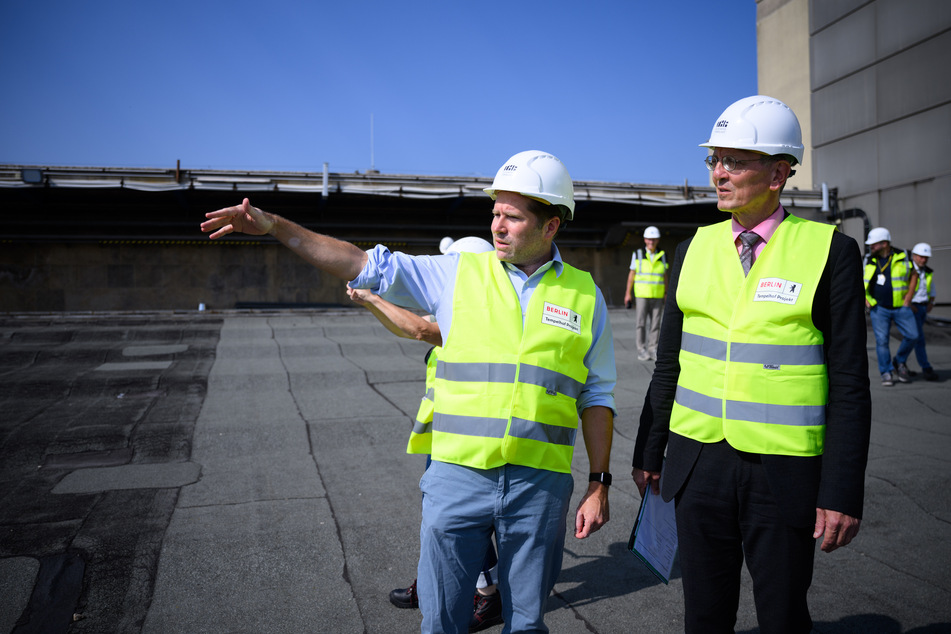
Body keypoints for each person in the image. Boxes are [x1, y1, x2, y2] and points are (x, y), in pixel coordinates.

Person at [201, 150, 617, 634]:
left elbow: (597, 396)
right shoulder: (459, 273)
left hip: (540, 487)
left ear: (551, 227)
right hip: (457, 479)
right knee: (441, 621)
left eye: (513, 217)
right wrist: (275, 226)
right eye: (495, 213)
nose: (498, 226)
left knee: (526, 624)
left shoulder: (586, 296)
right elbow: (361, 262)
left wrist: (599, 483)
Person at [631, 95, 872, 633]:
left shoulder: (830, 251)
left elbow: (850, 382)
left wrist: (840, 491)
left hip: (783, 472)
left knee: (783, 615)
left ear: (779, 173)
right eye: (714, 160)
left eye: (734, 161)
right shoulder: (691, 248)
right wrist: (648, 452)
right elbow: (668, 364)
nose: (718, 172)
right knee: (705, 615)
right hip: (696, 464)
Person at [346, 235, 505, 632]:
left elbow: (418, 329)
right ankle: (436, 582)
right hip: (449, 431)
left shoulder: (475, 320)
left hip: (467, 438)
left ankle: (487, 596)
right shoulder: (472, 308)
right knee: (436, 513)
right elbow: (410, 329)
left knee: (459, 516)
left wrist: (373, 298)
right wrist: (372, 303)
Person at [863, 227, 919, 386]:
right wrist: (867, 300)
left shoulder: (904, 256)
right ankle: (886, 372)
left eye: (873, 244)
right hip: (878, 308)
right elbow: (861, 281)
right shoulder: (868, 259)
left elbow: (914, 275)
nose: (871, 247)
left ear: (885, 243)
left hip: (901, 306)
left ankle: (899, 361)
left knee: (913, 335)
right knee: (882, 341)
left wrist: (908, 297)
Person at [623, 226, 668, 361]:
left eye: (654, 239)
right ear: (644, 239)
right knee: (641, 324)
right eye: (649, 239)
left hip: (658, 295)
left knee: (655, 325)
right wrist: (627, 293)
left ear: (658, 240)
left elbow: (665, 275)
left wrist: (667, 292)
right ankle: (641, 350)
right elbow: (632, 274)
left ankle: (653, 349)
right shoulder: (637, 254)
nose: (651, 242)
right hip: (642, 295)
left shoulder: (663, 255)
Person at [909, 242, 938, 381]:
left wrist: (931, 302)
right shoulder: (906, 269)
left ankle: (899, 362)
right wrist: (908, 303)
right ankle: (925, 367)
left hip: (922, 307)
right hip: (910, 306)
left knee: (915, 338)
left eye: (926, 257)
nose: (924, 260)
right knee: (916, 338)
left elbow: (931, 288)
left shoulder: (927, 271)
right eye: (921, 257)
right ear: (914, 256)